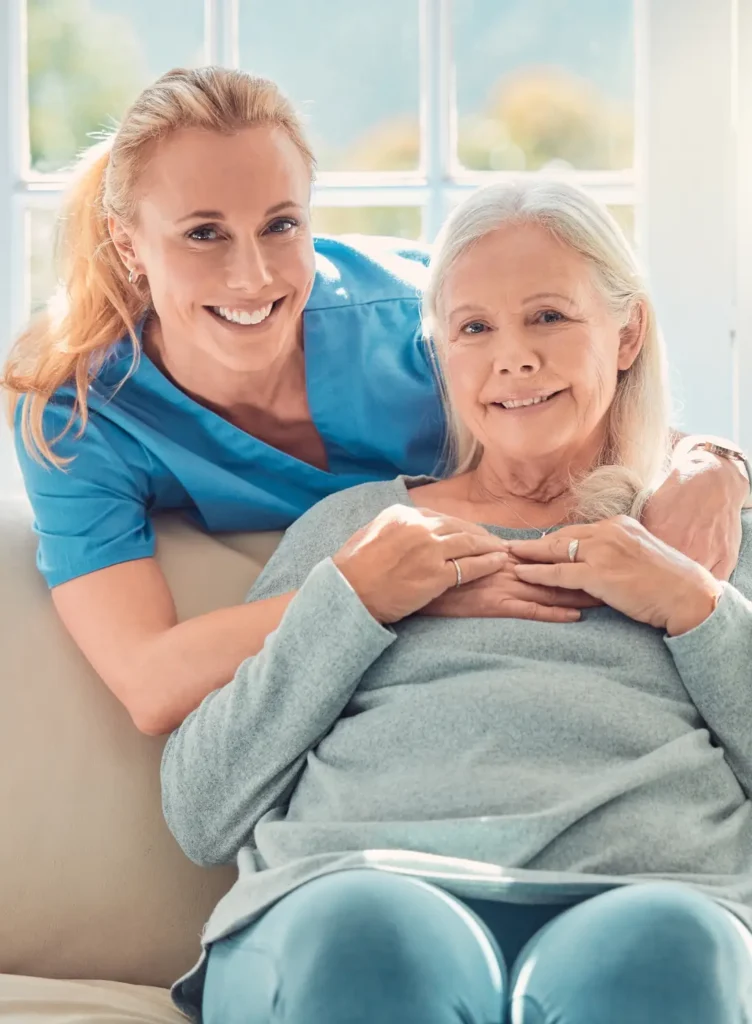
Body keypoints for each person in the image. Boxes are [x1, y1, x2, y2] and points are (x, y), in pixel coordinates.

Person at [3, 66, 748, 739]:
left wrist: (715, 462)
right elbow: (148, 682)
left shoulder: (416, 330)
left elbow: (590, 398)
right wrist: (371, 597)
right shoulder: (77, 414)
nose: (253, 275)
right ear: (128, 245)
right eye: (204, 234)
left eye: (280, 224)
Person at [161, 180, 752, 1024]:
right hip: (356, 899)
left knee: (666, 946)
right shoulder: (357, 528)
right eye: (475, 328)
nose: (514, 357)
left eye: (548, 316)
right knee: (374, 934)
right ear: (441, 355)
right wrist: (351, 604)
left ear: (627, 334)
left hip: (657, 893)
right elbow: (201, 809)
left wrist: (696, 609)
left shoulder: (704, 532)